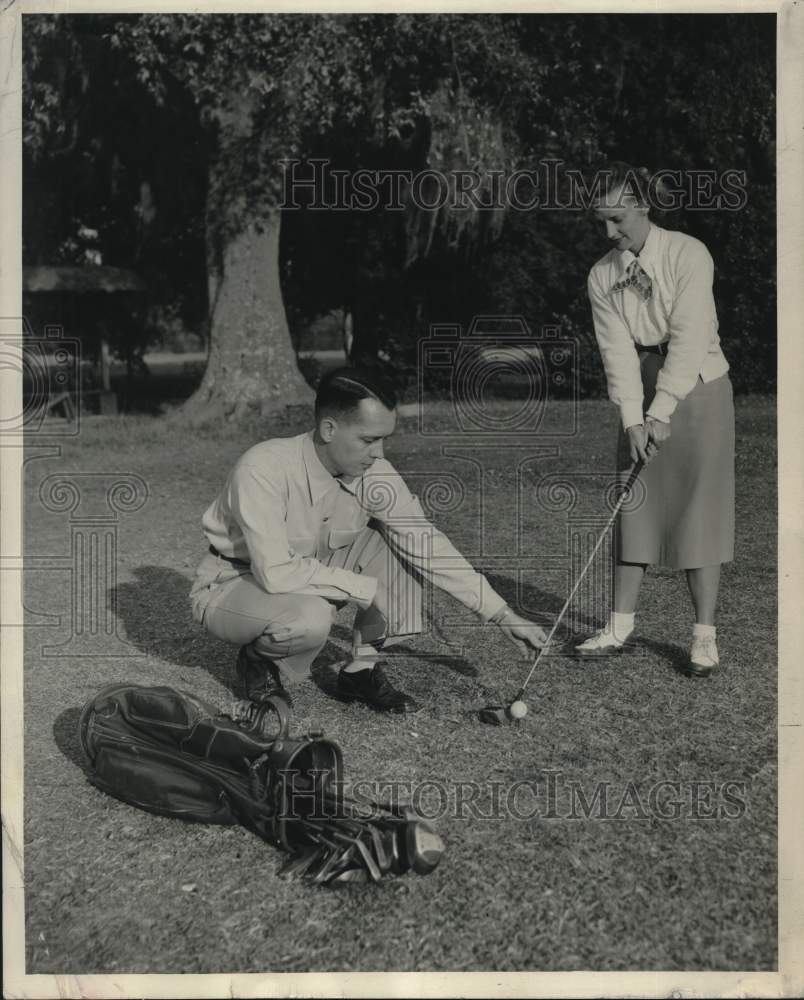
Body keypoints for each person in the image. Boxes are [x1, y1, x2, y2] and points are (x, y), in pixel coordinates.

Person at [190, 367, 547, 713]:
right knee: (310, 619)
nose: (379, 453)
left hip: (313, 569)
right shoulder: (262, 469)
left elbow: (425, 542)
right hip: (235, 581)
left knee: (405, 558)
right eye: (368, 440)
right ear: (329, 429)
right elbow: (275, 573)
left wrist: (502, 615)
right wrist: (365, 588)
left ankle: (360, 672)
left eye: (383, 440)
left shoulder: (375, 472)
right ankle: (259, 660)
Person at [576, 162, 735, 676]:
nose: (609, 232)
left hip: (700, 386)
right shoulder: (602, 275)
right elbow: (616, 354)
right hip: (641, 387)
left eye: (618, 219)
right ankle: (620, 626)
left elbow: (689, 341)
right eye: (601, 221)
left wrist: (661, 410)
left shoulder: (689, 253)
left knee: (699, 510)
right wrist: (632, 421)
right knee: (633, 502)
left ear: (643, 207)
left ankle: (703, 637)